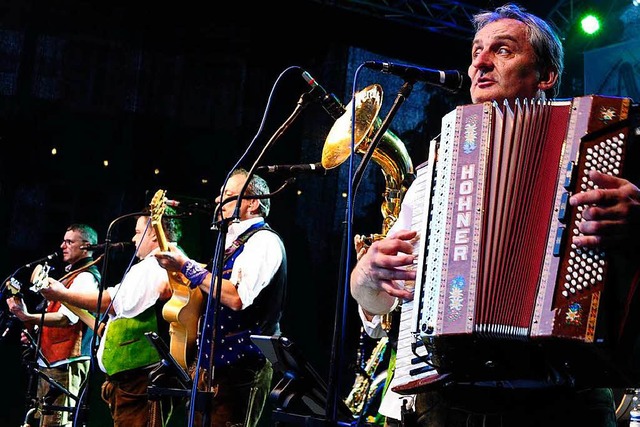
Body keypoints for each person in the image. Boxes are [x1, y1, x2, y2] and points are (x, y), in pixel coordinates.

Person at [350, 3, 640, 427]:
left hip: (565, 402)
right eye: (475, 52)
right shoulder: (434, 175)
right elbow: (376, 305)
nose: (479, 63)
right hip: (448, 405)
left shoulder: (602, 145)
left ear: (546, 76)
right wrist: (367, 276)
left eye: (502, 50)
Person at [154, 167, 287, 427]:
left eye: (227, 194)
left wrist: (186, 267)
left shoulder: (263, 242)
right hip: (212, 367)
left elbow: (237, 297)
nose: (218, 200)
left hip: (242, 369)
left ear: (252, 203)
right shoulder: (232, 243)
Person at [39, 208, 183, 427]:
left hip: (139, 380)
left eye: (137, 232)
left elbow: (113, 303)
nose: (134, 238)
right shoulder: (156, 265)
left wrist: (62, 294)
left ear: (154, 233)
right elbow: (114, 322)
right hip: (128, 381)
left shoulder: (156, 265)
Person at [6, 223, 101, 427]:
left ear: (86, 246)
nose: (62, 246)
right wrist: (34, 331)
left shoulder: (85, 277)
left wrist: (28, 316)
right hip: (51, 360)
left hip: (66, 362)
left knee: (56, 422)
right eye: (63, 240)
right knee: (43, 420)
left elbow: (67, 319)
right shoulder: (70, 275)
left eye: (69, 242)